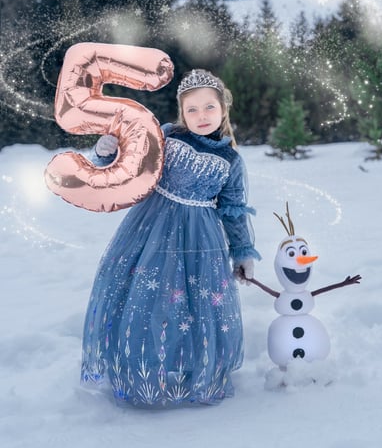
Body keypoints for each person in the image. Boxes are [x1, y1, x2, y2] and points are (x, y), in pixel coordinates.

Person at [81, 68, 260, 408]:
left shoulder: (230, 160)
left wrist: (242, 252)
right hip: (152, 228)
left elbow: (233, 210)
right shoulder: (166, 136)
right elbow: (131, 163)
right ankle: (140, 368)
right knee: (147, 296)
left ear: (223, 109)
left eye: (209, 107)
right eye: (192, 109)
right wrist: (107, 151)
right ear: (181, 113)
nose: (201, 116)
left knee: (193, 303)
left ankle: (189, 368)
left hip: (201, 238)